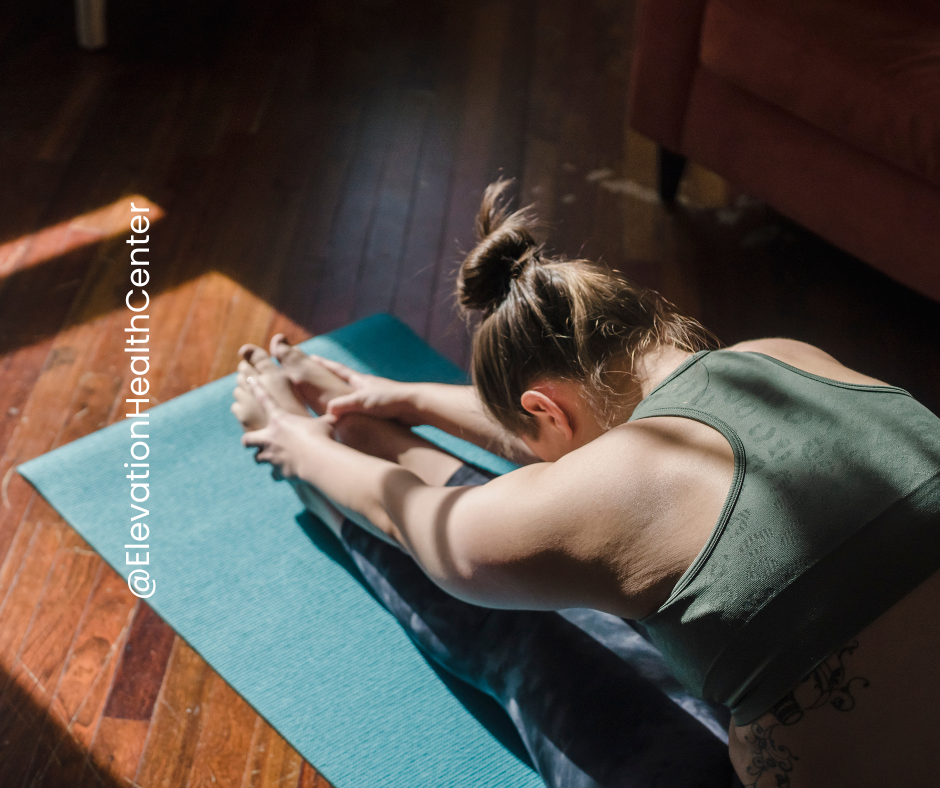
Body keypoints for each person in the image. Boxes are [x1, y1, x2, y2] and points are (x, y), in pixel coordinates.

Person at [231, 179, 940, 788]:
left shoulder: (624, 485)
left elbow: (432, 530)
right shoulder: (782, 359)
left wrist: (293, 444)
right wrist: (409, 397)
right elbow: (608, 430)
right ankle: (369, 426)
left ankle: (349, 442)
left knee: (528, 636)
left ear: (543, 409)